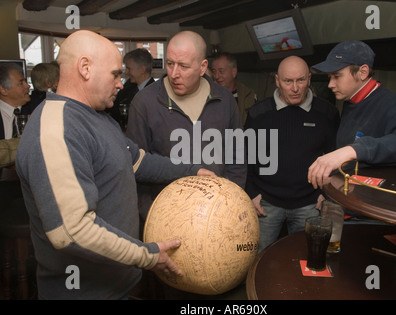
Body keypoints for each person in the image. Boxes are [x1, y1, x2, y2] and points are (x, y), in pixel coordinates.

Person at [15, 30, 214, 300]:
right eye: (114, 74)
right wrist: (146, 255)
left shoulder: (97, 117)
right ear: (85, 68)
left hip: (118, 286)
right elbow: (72, 231)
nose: (121, 84)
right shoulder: (56, 128)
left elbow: (139, 162)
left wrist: (193, 171)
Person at [126, 31, 246, 220]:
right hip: (166, 217)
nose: (174, 74)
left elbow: (236, 157)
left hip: (216, 213)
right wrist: (150, 216)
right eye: (170, 63)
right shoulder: (144, 102)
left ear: (202, 66)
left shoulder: (225, 100)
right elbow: (136, 165)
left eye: (183, 66)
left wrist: (231, 202)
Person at [244, 55, 340, 251]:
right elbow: (245, 157)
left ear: (309, 80)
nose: (295, 88)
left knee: (302, 259)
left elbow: (335, 157)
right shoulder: (258, 113)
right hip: (266, 203)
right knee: (260, 260)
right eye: (288, 81)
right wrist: (252, 193)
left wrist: (325, 193)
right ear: (277, 81)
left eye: (301, 80)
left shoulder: (327, 113)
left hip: (310, 204)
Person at [307, 40, 396, 190]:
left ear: (363, 72)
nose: (330, 84)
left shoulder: (391, 103)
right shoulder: (350, 100)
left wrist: (354, 150)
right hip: (348, 197)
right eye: (329, 77)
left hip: (372, 203)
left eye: (337, 76)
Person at [108, 48, 155, 126]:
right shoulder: (126, 89)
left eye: (129, 69)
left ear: (142, 69)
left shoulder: (157, 94)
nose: (126, 72)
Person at [211, 52, 257, 124]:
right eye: (214, 72)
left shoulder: (248, 95)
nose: (216, 76)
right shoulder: (209, 95)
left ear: (233, 72)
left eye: (221, 71)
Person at [0, 63, 30, 139]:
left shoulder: (36, 111)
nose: (27, 86)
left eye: (25, 82)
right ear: (3, 90)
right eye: (21, 83)